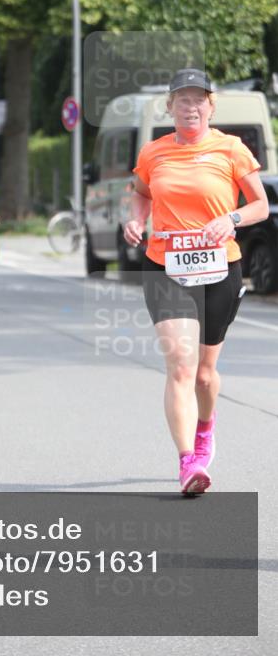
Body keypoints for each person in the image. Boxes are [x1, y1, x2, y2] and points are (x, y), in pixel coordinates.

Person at [123, 69, 269, 495]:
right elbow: (141, 193)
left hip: (220, 268)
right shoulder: (154, 152)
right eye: (182, 99)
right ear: (169, 107)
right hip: (166, 268)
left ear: (211, 105)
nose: (191, 106)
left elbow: (260, 205)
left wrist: (231, 218)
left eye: (198, 99)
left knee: (205, 375)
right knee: (181, 367)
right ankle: (188, 462)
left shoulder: (230, 149)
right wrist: (136, 220)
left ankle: (206, 429)